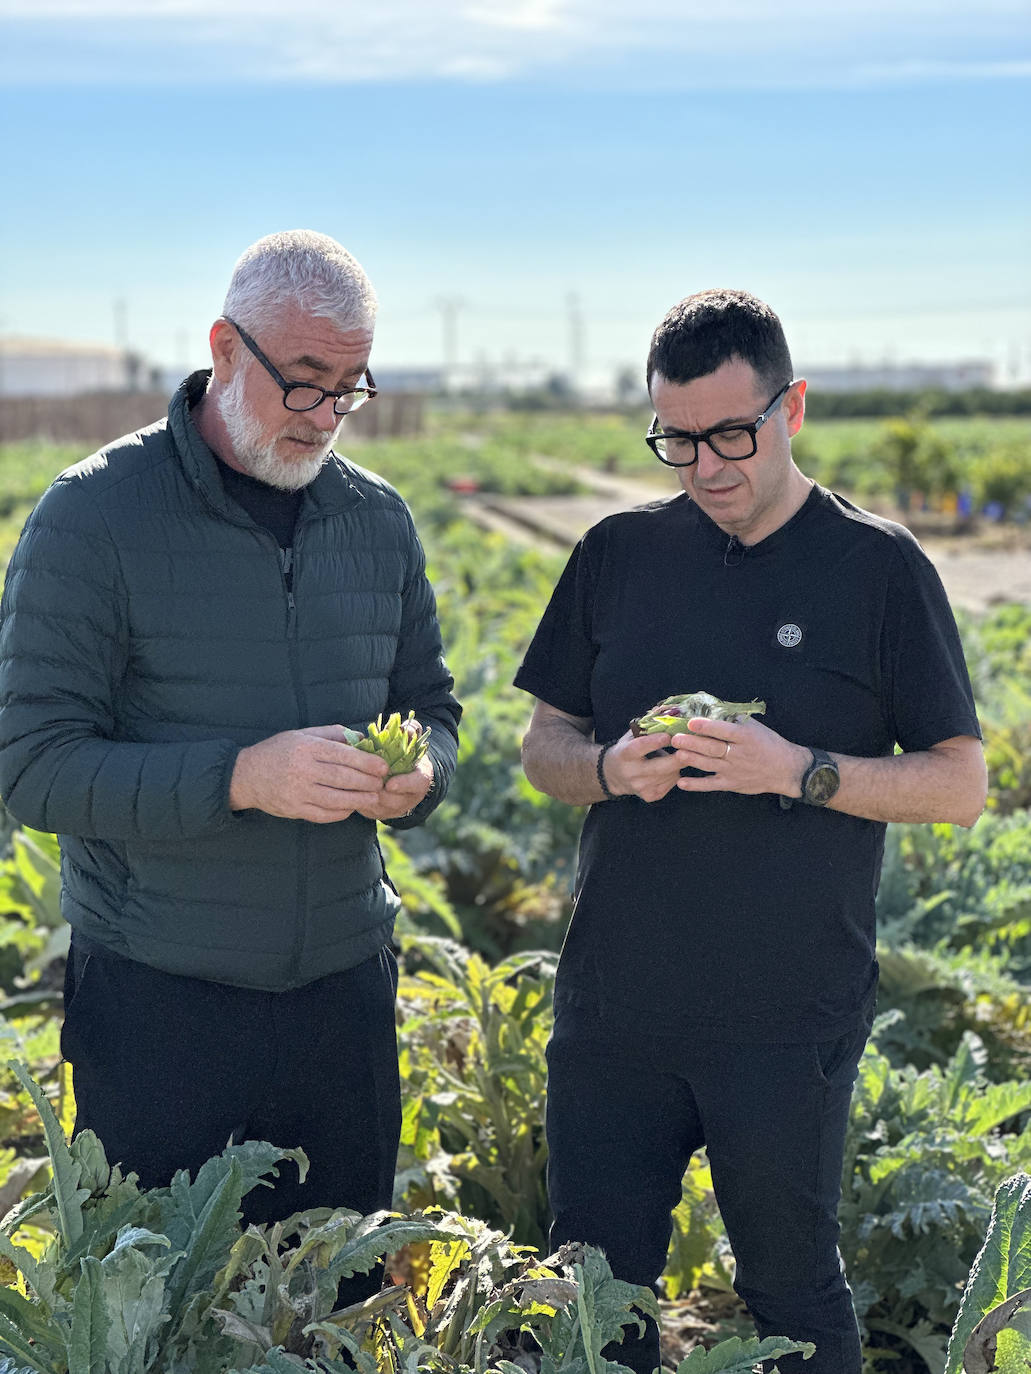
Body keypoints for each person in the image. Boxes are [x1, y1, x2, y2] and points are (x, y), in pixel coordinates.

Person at [515, 289, 986, 1374]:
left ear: (793, 408)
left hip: (784, 1022)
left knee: (788, 1297)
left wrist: (797, 772)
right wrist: (607, 769)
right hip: (611, 1010)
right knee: (589, 1297)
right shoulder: (615, 552)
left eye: (731, 433)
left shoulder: (876, 570)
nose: (705, 465)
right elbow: (543, 746)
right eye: (676, 440)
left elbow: (958, 786)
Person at [0, 232, 461, 1283]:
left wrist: (421, 774)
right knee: (163, 1306)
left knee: (336, 1304)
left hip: (342, 999)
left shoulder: (378, 523)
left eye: (349, 391)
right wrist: (241, 778)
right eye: (302, 383)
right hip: (163, 1004)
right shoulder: (93, 517)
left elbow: (432, 706)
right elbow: (35, 767)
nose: (323, 416)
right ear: (222, 346)